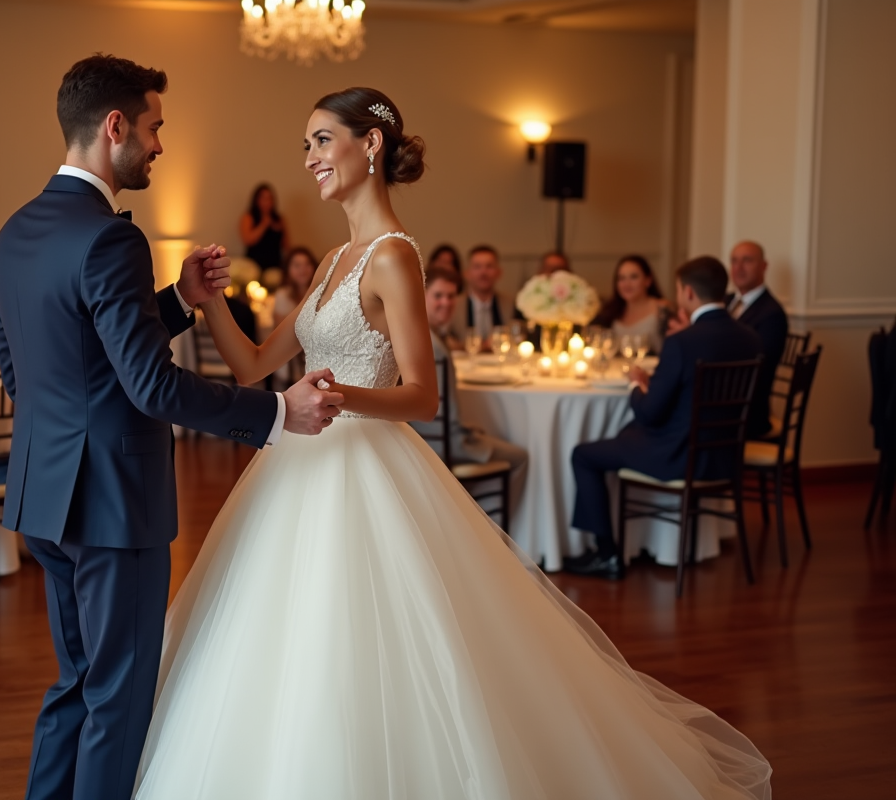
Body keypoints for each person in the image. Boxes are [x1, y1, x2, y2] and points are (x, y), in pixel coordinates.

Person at [133, 90, 770, 799]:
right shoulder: (336, 259)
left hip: (362, 460)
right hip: (300, 461)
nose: (309, 157)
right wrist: (208, 298)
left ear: (368, 146)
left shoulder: (392, 258)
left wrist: (337, 398)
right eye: (306, 144)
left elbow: (420, 394)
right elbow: (254, 365)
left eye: (320, 140)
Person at [0, 54, 339, 800]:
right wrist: (278, 411)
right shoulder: (111, 237)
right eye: (153, 128)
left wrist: (176, 301)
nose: (159, 145)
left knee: (77, 684)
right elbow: (147, 384)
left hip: (45, 499)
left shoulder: (15, 233)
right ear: (114, 127)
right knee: (117, 698)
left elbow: (41, 373)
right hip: (114, 505)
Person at [567, 256, 763, 581]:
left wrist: (636, 384)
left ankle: (606, 554)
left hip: (679, 455)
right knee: (626, 436)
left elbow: (648, 411)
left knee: (584, 454)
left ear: (687, 292)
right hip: (725, 456)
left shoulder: (682, 342)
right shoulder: (750, 338)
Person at [411, 265, 528, 493]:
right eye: (438, 296)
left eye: (451, 296)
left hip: (425, 440)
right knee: (521, 456)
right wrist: (473, 432)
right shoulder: (434, 347)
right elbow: (447, 417)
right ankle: (489, 522)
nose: (446, 302)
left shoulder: (423, 335)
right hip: (446, 444)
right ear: (421, 295)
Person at [727, 240, 789, 438]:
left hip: (747, 413)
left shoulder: (771, 314)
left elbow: (759, 370)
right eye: (734, 261)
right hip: (723, 401)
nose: (738, 268)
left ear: (764, 266)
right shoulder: (725, 301)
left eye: (747, 261)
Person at [591, 254, 671, 354]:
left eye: (634, 277)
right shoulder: (611, 311)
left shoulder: (662, 309)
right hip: (618, 368)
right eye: (621, 278)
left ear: (648, 280)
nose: (626, 284)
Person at [447, 244, 518, 346]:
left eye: (489, 266)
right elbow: (445, 338)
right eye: (477, 267)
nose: (483, 272)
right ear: (467, 273)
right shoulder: (452, 304)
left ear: (498, 272)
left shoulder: (511, 304)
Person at [273, 246, 318, 385]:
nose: (302, 270)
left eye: (307, 264)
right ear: (288, 270)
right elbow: (281, 332)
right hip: (292, 357)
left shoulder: (320, 293)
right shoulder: (283, 296)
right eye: (297, 265)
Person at [239, 183, 288, 269]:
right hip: (253, 265)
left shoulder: (279, 219)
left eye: (270, 198)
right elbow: (247, 240)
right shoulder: (249, 217)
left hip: (274, 265)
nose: (267, 202)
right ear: (257, 200)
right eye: (264, 198)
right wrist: (264, 224)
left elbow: (286, 245)